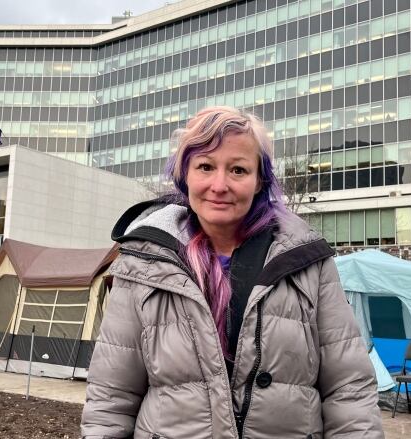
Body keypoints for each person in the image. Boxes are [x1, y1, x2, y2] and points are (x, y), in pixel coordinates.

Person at [82, 106, 383, 438]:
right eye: (206, 166)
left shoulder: (309, 261)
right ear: (185, 175)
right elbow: (111, 398)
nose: (219, 185)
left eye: (238, 170)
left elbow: (349, 390)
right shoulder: (142, 263)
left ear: (259, 181)